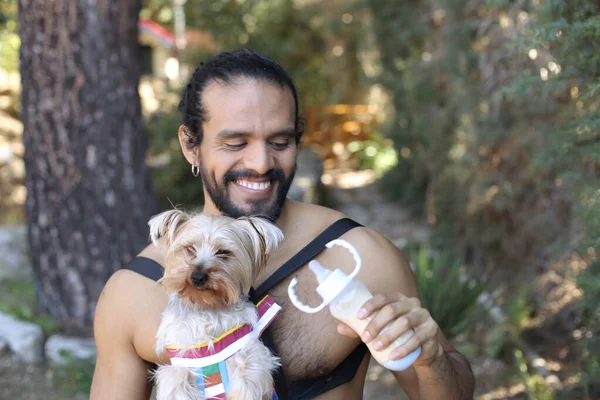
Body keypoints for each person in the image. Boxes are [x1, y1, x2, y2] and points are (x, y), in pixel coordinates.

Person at [90, 49, 475, 400]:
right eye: (236, 142)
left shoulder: (361, 257)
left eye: (279, 141)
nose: (260, 163)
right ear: (191, 145)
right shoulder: (132, 294)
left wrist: (432, 360)